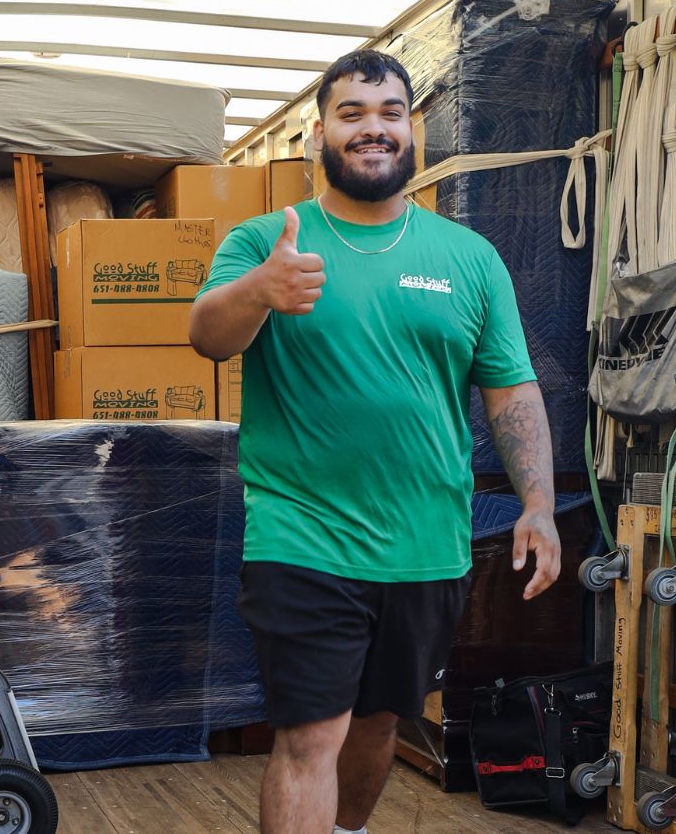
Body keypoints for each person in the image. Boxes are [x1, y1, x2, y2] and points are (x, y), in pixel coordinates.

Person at [189, 49, 560, 834]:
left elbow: (510, 387)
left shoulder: (469, 258)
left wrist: (538, 504)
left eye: (390, 112)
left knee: (380, 721)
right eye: (351, 113)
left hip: (426, 542)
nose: (373, 129)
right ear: (318, 132)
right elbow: (208, 337)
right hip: (302, 533)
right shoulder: (265, 242)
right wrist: (260, 290)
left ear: (412, 128)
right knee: (310, 734)